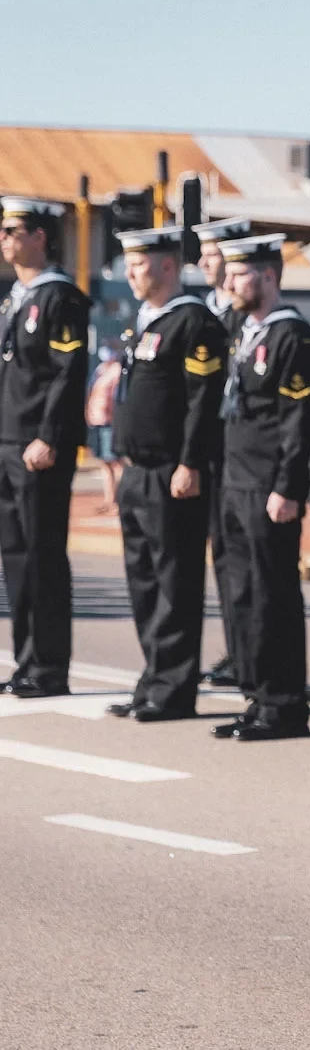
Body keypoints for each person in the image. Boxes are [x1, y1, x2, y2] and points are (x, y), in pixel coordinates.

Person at [107, 226, 228, 723]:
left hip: (172, 471)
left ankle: (174, 688)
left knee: (174, 582)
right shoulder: (147, 320)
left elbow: (203, 402)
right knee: (143, 582)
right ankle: (153, 677)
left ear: (168, 267)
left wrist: (190, 462)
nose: (132, 272)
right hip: (138, 471)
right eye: (130, 263)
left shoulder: (193, 322)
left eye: (141, 263)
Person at [210, 233, 310, 741]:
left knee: (272, 593)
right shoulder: (244, 330)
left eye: (241, 273)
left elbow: (298, 421)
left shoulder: (292, 337)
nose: (230, 281)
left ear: (269, 276)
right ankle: (257, 695)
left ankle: (284, 703)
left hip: (267, 485)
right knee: (243, 593)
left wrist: (287, 485)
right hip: (236, 480)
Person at [0, 195, 91, 698]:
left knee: (42, 555)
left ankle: (50, 666)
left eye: (15, 231)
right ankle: (26, 661)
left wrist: (50, 435)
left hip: (38, 446)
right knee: (15, 556)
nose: (5, 239)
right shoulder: (15, 296)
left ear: (40, 237)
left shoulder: (60, 297)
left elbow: (67, 373)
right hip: (8, 442)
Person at [192, 217, 250, 691]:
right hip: (213, 452)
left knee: (243, 563)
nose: (203, 262)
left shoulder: (244, 319)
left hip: (241, 458)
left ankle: (248, 653)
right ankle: (237, 649)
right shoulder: (208, 313)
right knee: (224, 559)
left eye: (212, 253)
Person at [86, 348, 121, 513]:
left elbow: (116, 397)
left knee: (115, 462)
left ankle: (121, 501)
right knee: (104, 462)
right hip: (97, 420)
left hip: (111, 422)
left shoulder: (117, 370)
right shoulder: (100, 369)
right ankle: (109, 500)